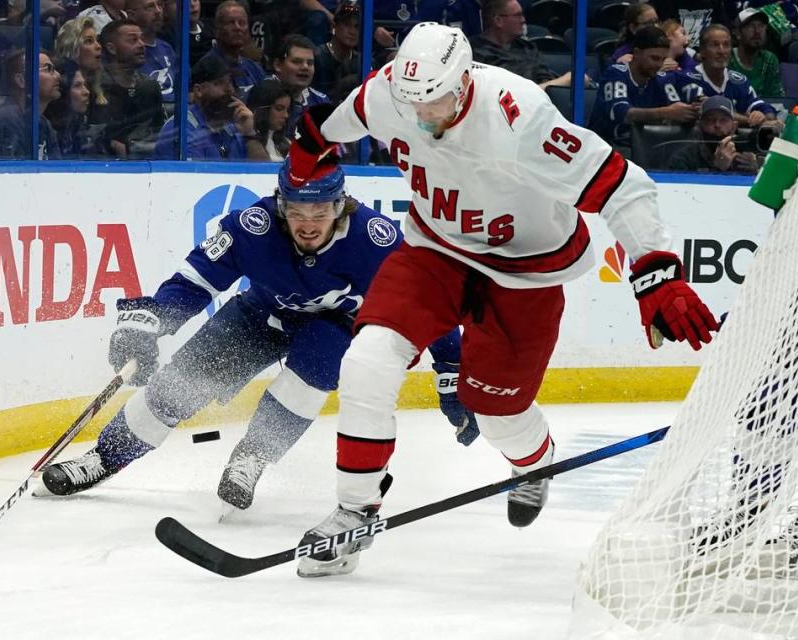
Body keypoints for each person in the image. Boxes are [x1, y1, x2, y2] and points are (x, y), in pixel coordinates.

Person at [286, 22, 718, 577]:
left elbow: (622, 184)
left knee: (496, 414)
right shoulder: (390, 92)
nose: (421, 118)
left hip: (526, 272)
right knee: (367, 358)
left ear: (465, 83)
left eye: (436, 102)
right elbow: (323, 128)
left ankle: (534, 463)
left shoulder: (520, 116)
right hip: (435, 250)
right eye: (411, 103)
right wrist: (306, 155)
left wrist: (656, 273)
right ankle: (353, 510)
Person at [39, 157, 478, 516]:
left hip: (335, 324)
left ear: (341, 206)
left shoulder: (373, 240)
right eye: (297, 212)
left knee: (317, 368)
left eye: (320, 212)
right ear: (280, 205)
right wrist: (152, 321)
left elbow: (422, 307)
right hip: (259, 314)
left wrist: (452, 370)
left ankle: (253, 456)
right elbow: (194, 283)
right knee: (179, 386)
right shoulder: (252, 227)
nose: (308, 224)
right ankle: (104, 456)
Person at [588, 26, 699, 146]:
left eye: (663, 59)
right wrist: (666, 113)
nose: (659, 64)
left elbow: (674, 107)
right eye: (654, 58)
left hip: (644, 148)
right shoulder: (616, 73)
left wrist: (691, 111)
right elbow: (622, 114)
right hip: (605, 147)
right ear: (636, 53)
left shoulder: (662, 79)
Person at [672, 24, 778, 129]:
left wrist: (763, 118)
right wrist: (749, 120)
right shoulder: (686, 78)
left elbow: (765, 109)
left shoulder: (739, 81)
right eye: (714, 45)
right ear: (702, 51)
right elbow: (714, 111)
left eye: (726, 45)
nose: (721, 51)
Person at [154, 54, 253, 160]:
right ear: (198, 91)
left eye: (229, 82)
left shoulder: (232, 128)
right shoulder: (181, 129)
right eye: (218, 83)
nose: (229, 89)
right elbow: (197, 175)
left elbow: (262, 173)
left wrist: (250, 135)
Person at [0, 49, 62, 158]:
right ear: (21, 80)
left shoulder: (43, 124)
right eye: (48, 69)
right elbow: (14, 173)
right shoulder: (5, 121)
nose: (58, 75)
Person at [90, 19, 165, 158]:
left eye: (141, 39)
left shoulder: (150, 87)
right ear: (111, 48)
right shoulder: (95, 86)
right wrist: (110, 143)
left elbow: (158, 131)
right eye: (133, 40)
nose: (142, 45)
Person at [470, 0, 569, 90]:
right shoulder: (475, 52)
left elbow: (545, 79)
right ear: (498, 20)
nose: (523, 20)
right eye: (518, 15)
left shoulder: (527, 47)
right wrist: (564, 81)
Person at [668, 95, 761, 173]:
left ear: (734, 126)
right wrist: (717, 169)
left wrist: (756, 171)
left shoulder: (748, 152)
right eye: (710, 120)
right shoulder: (683, 158)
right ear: (700, 125)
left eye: (723, 120)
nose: (717, 125)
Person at [198, 0, 265, 99]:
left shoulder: (254, 68)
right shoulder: (206, 68)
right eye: (231, 23)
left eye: (242, 23)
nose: (237, 28)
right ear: (217, 29)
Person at [268, 33, 329, 138]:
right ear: (278, 65)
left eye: (310, 63)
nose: (305, 67)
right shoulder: (260, 96)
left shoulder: (321, 102)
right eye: (297, 62)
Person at [728, 8, 785, 99]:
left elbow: (777, 99)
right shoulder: (727, 58)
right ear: (737, 33)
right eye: (751, 26)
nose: (757, 31)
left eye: (761, 26)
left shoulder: (769, 59)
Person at [126, 0, 175, 103]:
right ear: (132, 15)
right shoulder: (126, 51)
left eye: (160, 5)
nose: (158, 11)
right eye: (150, 7)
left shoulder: (167, 48)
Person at [54, 16, 106, 110]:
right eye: (89, 41)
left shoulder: (102, 85)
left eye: (97, 40)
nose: (99, 46)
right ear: (71, 48)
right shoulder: (58, 90)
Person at [46, 60, 96, 157]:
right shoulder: (47, 130)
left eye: (84, 85)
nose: (87, 92)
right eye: (77, 86)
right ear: (63, 91)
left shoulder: (77, 127)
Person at [312, 1, 360, 98]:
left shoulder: (364, 61)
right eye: (347, 24)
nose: (352, 31)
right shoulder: (316, 57)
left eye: (356, 26)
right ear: (333, 27)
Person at [244, 78, 291, 161]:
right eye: (279, 109)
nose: (286, 115)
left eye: (287, 110)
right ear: (260, 109)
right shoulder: (242, 141)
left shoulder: (287, 143)